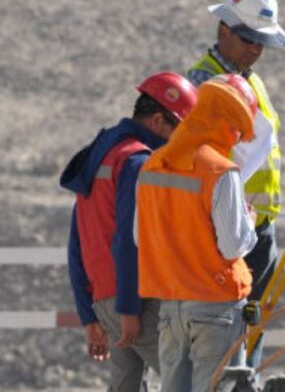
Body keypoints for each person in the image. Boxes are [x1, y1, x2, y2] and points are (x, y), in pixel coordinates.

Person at [60, 72, 197, 391]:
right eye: (179, 128)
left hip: (105, 300)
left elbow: (77, 240)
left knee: (125, 385)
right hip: (135, 299)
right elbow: (128, 240)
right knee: (188, 382)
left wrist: (89, 315)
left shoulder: (100, 155)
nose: (179, 138)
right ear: (159, 120)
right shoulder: (138, 162)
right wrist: (129, 310)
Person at [186, 0, 285, 368]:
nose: (256, 48)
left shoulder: (252, 79)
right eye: (249, 38)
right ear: (224, 31)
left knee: (253, 328)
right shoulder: (202, 82)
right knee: (224, 334)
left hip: (260, 228)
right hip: (224, 228)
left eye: (262, 41)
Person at [135, 75, 260, 392]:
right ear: (231, 125)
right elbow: (233, 246)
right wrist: (249, 221)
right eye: (238, 132)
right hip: (216, 308)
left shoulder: (152, 165)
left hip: (170, 307)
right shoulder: (218, 171)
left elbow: (140, 238)